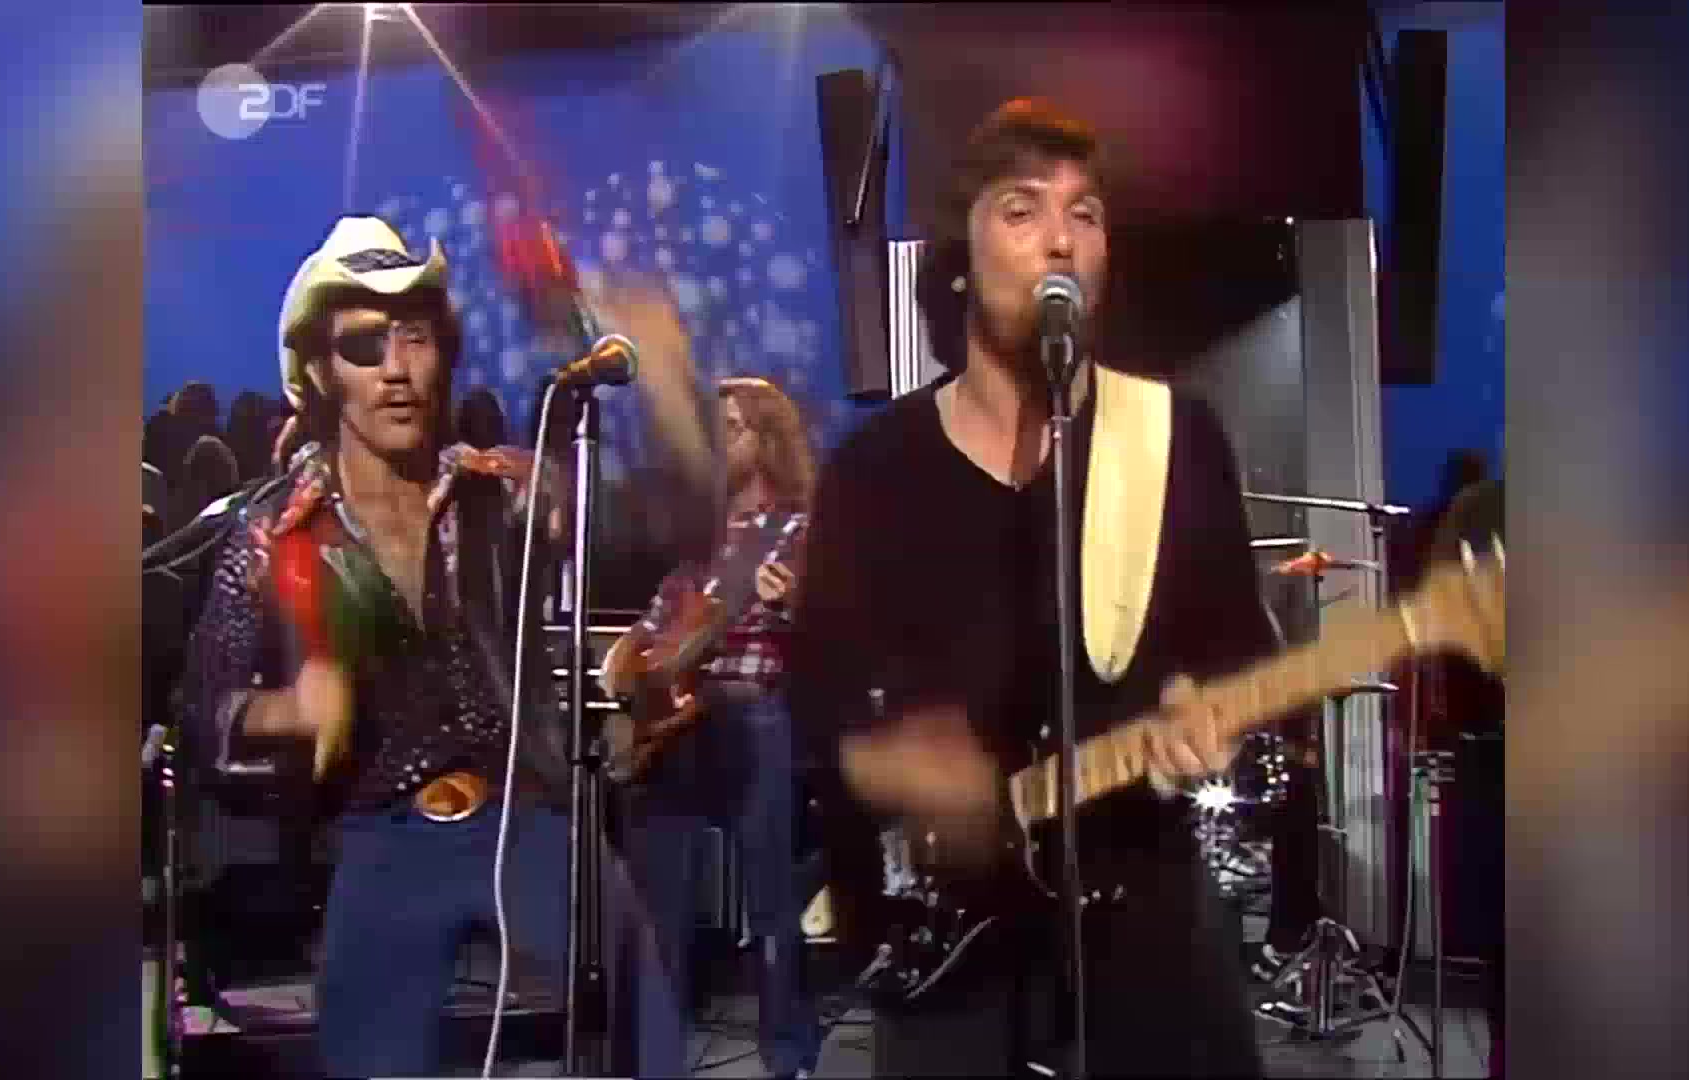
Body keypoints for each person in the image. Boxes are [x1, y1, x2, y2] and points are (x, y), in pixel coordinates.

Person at [786, 98, 1270, 1077]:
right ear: (960, 257)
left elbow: (1236, 652)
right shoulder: (875, 473)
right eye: (1022, 208)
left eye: (1085, 213)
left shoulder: (1176, 440)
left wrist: (1205, 705)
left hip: (1148, 928)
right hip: (951, 943)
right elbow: (820, 700)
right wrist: (892, 763)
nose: (1060, 238)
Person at [173, 215, 668, 1077]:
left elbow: (647, 536)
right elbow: (200, 711)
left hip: (523, 814)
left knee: (639, 1006)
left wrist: (584, 461)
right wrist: (287, 709)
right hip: (380, 831)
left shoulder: (497, 495)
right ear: (319, 372)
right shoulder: (273, 532)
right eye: (364, 346)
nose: (396, 369)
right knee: (369, 1055)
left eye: (415, 338)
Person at [600, 375, 825, 1080]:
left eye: (732, 429)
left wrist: (791, 608)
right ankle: (653, 1055)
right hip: (678, 730)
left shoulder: (798, 531)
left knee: (770, 904)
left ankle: (788, 1055)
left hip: (755, 716)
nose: (718, 443)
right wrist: (626, 660)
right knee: (657, 902)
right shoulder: (701, 539)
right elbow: (655, 622)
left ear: (767, 439)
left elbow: (834, 631)